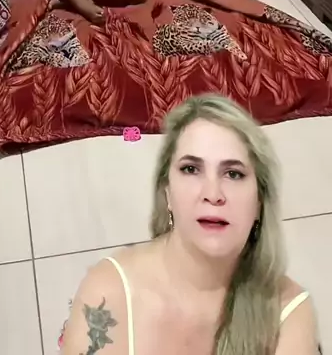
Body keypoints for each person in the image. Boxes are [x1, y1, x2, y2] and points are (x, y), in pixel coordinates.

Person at [61, 95, 319, 355]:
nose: (213, 194)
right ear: (167, 192)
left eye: (233, 174)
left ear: (259, 203)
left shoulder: (288, 311)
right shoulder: (108, 294)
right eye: (191, 169)